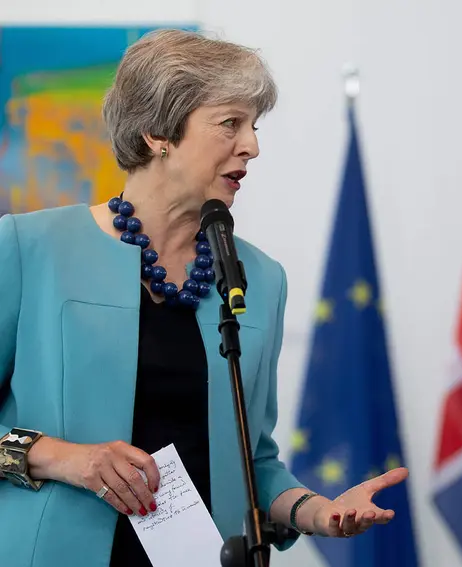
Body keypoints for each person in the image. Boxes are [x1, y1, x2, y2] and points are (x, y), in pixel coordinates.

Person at [0, 29, 407, 567]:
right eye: (230, 123)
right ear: (156, 132)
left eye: (254, 126)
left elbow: (253, 461)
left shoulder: (260, 278)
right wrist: (65, 459)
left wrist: (319, 513)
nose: (252, 146)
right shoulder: (28, 249)